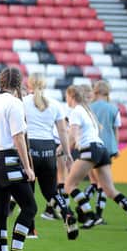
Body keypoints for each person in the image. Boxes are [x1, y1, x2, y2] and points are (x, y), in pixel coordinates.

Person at [63, 85, 127, 231]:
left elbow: (72, 133)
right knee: (109, 190)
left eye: (67, 96)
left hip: (90, 149)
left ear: (71, 97)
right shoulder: (90, 111)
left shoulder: (77, 111)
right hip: (102, 149)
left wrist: (63, 149)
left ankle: (91, 216)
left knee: (69, 185)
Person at [0, 67, 38, 251]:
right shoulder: (14, 103)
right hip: (7, 159)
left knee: (0, 213)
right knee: (30, 208)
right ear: (18, 84)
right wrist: (27, 166)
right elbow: (18, 137)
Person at [23, 73, 78, 240]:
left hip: (30, 147)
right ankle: (67, 213)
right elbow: (62, 131)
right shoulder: (55, 104)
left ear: (29, 85)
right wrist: (67, 153)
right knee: (51, 191)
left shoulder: (23, 103)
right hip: (48, 149)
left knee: (28, 192)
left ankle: (31, 230)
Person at [87, 80, 120, 225]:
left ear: (95, 91)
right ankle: (98, 213)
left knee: (95, 181)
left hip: (92, 146)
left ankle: (84, 208)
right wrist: (116, 147)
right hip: (108, 147)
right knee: (103, 184)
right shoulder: (113, 109)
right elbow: (116, 130)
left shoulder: (89, 107)